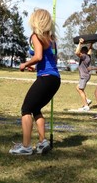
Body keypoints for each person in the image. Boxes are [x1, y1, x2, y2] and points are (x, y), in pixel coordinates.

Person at [9, 9, 61, 155]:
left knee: (26, 109)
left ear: (35, 20)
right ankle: (42, 142)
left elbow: (38, 56)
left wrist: (25, 64)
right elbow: (50, 60)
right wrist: (35, 67)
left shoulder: (35, 36)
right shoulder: (52, 39)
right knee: (36, 109)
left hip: (46, 78)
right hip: (55, 79)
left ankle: (25, 147)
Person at [75, 38, 93, 111]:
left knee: (80, 89)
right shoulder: (88, 56)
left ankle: (86, 106)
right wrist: (91, 43)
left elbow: (76, 52)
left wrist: (80, 43)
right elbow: (90, 49)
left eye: (81, 51)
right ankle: (87, 100)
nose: (80, 52)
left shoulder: (84, 56)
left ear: (82, 52)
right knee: (77, 87)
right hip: (87, 75)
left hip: (84, 76)